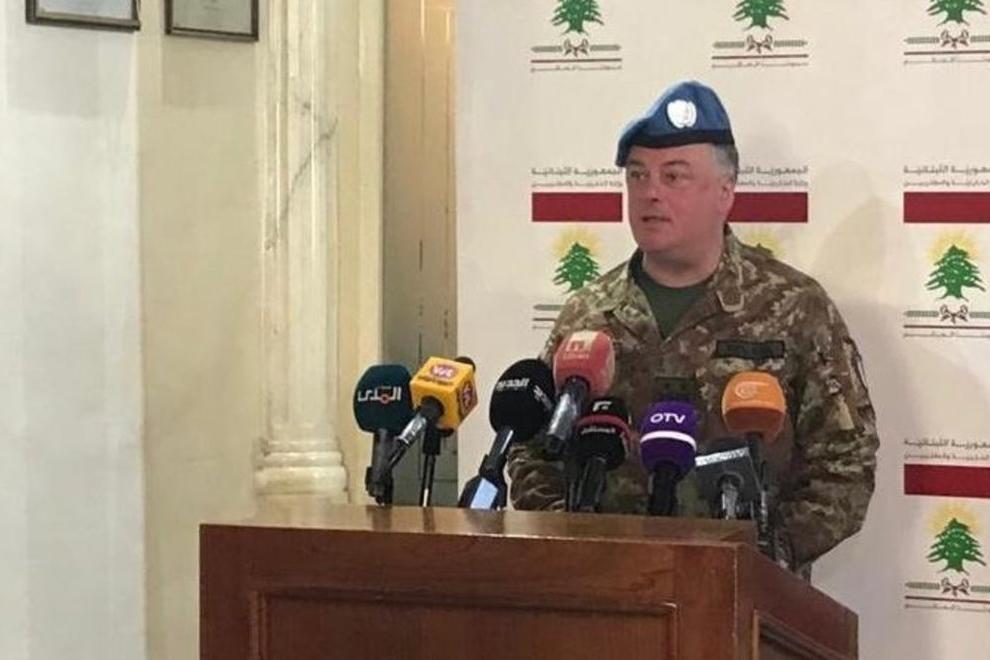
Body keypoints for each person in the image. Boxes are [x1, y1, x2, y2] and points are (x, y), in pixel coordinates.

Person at [507, 80, 879, 576]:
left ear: (726, 191)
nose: (650, 192)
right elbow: (534, 451)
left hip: (739, 594)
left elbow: (845, 463)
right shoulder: (589, 315)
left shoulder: (794, 307)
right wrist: (579, 546)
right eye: (637, 175)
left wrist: (765, 555)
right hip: (607, 590)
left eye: (674, 176)